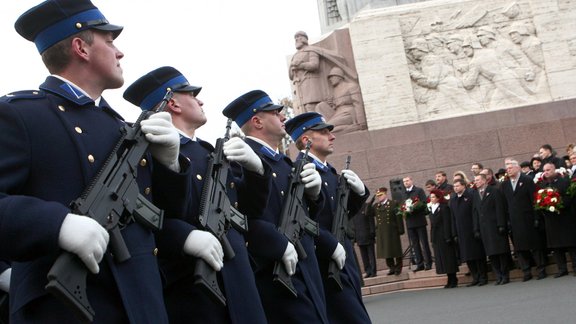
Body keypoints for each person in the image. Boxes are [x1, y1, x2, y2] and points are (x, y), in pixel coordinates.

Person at [0, 1, 192, 322]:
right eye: (110, 41)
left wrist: (172, 165)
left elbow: (168, 218)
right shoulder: (21, 115)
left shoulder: (126, 130)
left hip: (144, 307)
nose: (120, 53)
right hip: (65, 309)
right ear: (81, 48)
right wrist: (56, 224)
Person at [123, 67, 269, 324]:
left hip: (239, 282)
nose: (200, 100)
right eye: (192, 94)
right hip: (195, 287)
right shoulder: (147, 153)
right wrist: (183, 236)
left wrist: (257, 172)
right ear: (173, 103)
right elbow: (143, 215)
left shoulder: (209, 153)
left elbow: (250, 211)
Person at [222, 90, 329, 324]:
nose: (282, 116)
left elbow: (308, 215)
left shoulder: (284, 162)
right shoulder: (240, 158)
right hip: (273, 269)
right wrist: (275, 243)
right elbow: (238, 214)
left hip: (304, 264)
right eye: (274, 112)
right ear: (257, 121)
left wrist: (314, 196)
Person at [285, 112, 372, 324]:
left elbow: (340, 215)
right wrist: (329, 244)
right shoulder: (303, 170)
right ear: (306, 140)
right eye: (324, 132)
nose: (331, 136)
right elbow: (301, 219)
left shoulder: (328, 171)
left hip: (344, 258)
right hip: (324, 261)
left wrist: (360, 194)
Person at [501, 158, 547, 281]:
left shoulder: (527, 180)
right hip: (515, 221)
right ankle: (526, 271)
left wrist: (537, 217)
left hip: (529, 218)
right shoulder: (505, 185)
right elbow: (505, 204)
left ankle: (541, 269)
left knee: (535, 246)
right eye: (507, 168)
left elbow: (534, 199)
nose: (508, 170)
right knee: (520, 248)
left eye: (510, 167)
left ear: (517, 168)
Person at [538, 162, 576, 277]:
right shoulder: (543, 186)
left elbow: (569, 197)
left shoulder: (564, 182)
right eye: (545, 170)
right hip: (551, 220)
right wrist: (545, 206)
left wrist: (557, 204)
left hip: (565, 218)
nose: (546, 172)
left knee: (571, 244)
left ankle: (575, 266)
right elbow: (539, 201)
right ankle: (562, 268)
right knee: (556, 246)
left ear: (554, 170)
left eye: (549, 170)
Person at [472, 174, 512, 285]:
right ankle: (498, 275)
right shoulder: (475, 194)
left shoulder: (494, 191)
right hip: (484, 228)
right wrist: (476, 228)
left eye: (478, 180)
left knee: (501, 252)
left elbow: (500, 208)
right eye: (475, 180)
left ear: (485, 180)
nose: (476, 182)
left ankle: (505, 275)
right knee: (491, 253)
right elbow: (475, 212)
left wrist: (501, 224)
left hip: (495, 226)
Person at [449, 179, 488, 286]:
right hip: (461, 232)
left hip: (472, 230)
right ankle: (475, 277)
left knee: (478, 255)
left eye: (457, 186)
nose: (455, 188)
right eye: (454, 186)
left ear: (463, 186)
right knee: (468, 257)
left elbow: (475, 213)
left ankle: (483, 277)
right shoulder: (453, 200)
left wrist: (476, 228)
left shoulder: (471, 195)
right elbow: (452, 218)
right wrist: (454, 233)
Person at [367, 187, 404, 276]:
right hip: (382, 232)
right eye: (378, 196)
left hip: (392, 231)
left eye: (381, 195)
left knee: (396, 250)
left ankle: (398, 267)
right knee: (386, 251)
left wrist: (401, 229)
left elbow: (398, 217)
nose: (379, 197)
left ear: (385, 194)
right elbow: (367, 212)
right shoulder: (376, 206)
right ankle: (391, 267)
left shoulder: (393, 203)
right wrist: (372, 200)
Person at [428, 189, 459, 288]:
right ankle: (449, 278)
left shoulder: (444, 207)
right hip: (436, 236)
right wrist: (432, 238)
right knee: (442, 259)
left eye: (433, 197)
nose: (431, 199)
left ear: (438, 198)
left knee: (448, 258)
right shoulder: (432, 208)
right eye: (430, 197)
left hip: (444, 235)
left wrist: (447, 236)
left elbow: (446, 222)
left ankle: (453, 278)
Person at [402, 177, 433, 271]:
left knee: (424, 243)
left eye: (407, 181)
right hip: (410, 222)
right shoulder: (403, 193)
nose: (406, 183)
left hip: (419, 220)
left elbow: (424, 203)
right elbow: (402, 205)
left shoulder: (419, 190)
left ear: (411, 181)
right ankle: (420, 264)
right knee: (415, 244)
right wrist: (404, 210)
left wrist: (413, 208)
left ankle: (428, 262)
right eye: (404, 182)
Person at [352, 196, 377, 278]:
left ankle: (373, 271)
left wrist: (372, 232)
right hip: (359, 236)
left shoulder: (367, 206)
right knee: (364, 256)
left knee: (371, 255)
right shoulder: (354, 209)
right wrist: (355, 237)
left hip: (368, 235)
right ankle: (368, 271)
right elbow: (353, 225)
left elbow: (371, 221)